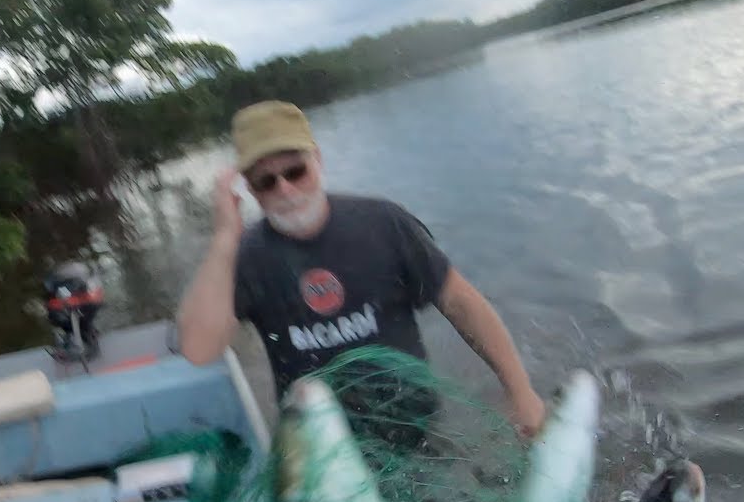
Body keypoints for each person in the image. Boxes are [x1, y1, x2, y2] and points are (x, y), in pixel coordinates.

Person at [175, 100, 546, 439]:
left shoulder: (384, 224)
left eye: (295, 171)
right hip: (318, 448)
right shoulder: (245, 257)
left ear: (317, 160)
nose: (285, 189)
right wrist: (225, 239)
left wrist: (520, 390)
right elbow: (198, 350)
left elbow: (460, 303)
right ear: (251, 191)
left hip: (413, 429)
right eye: (266, 181)